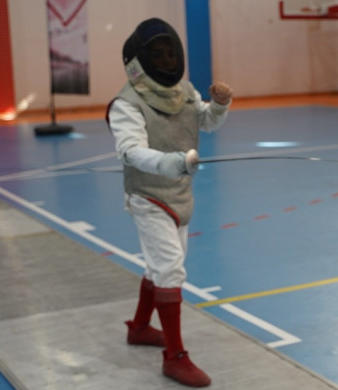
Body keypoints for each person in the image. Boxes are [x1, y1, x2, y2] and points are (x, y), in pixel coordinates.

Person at [107, 18, 232, 387]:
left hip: (178, 192)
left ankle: (141, 327)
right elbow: (130, 152)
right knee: (170, 270)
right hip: (147, 194)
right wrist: (174, 162)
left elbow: (204, 122)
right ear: (140, 59)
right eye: (156, 53)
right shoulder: (125, 104)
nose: (164, 58)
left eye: (168, 52)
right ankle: (175, 356)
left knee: (160, 266)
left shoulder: (183, 90)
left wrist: (220, 105)